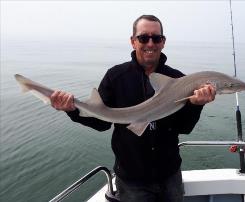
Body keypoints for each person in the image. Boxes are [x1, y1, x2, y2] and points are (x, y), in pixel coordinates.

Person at [50, 15, 216, 202]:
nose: (150, 43)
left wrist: (195, 105)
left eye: (156, 38)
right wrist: (72, 110)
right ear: (133, 41)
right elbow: (101, 123)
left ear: (163, 42)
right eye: (144, 38)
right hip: (131, 180)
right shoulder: (116, 77)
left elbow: (184, 128)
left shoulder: (177, 80)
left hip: (170, 175)